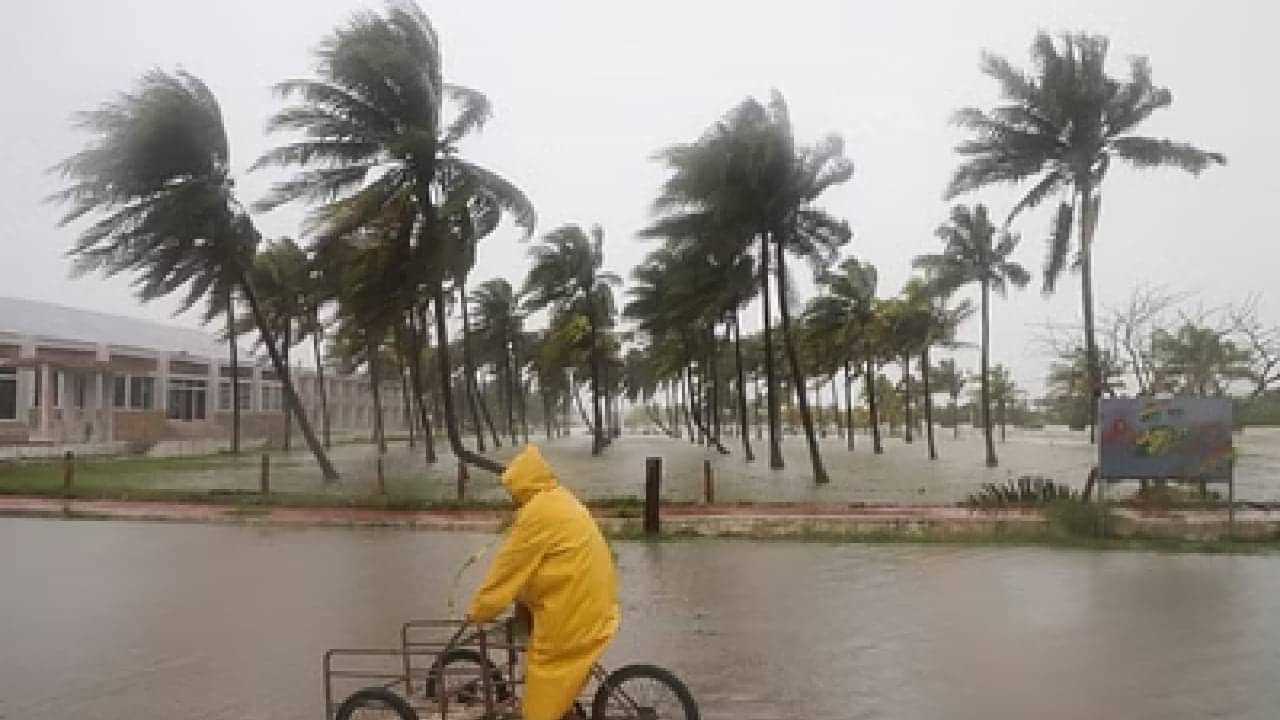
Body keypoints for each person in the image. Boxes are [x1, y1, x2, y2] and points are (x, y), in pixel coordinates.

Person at [467, 445, 620, 720]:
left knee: (545, 670)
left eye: (512, 490)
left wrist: (480, 611)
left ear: (521, 485)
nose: (512, 498)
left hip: (574, 610)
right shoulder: (560, 498)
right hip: (595, 599)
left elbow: (508, 569)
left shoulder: (537, 514)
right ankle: (566, 708)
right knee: (553, 658)